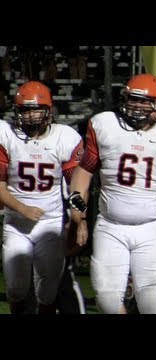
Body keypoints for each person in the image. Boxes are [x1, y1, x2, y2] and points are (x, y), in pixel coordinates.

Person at [68, 73, 156, 314]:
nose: (137, 106)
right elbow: (84, 171)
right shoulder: (105, 125)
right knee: (107, 300)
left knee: (150, 300)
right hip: (111, 225)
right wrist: (78, 212)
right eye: (133, 100)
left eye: (145, 101)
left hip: (152, 228)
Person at [0, 80, 84, 314]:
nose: (31, 116)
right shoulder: (6, 135)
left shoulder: (64, 137)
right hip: (16, 224)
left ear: (49, 110)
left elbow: (77, 183)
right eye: (25, 110)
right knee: (16, 289)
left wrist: (79, 219)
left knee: (47, 293)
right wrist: (22, 208)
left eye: (36, 109)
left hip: (50, 223)